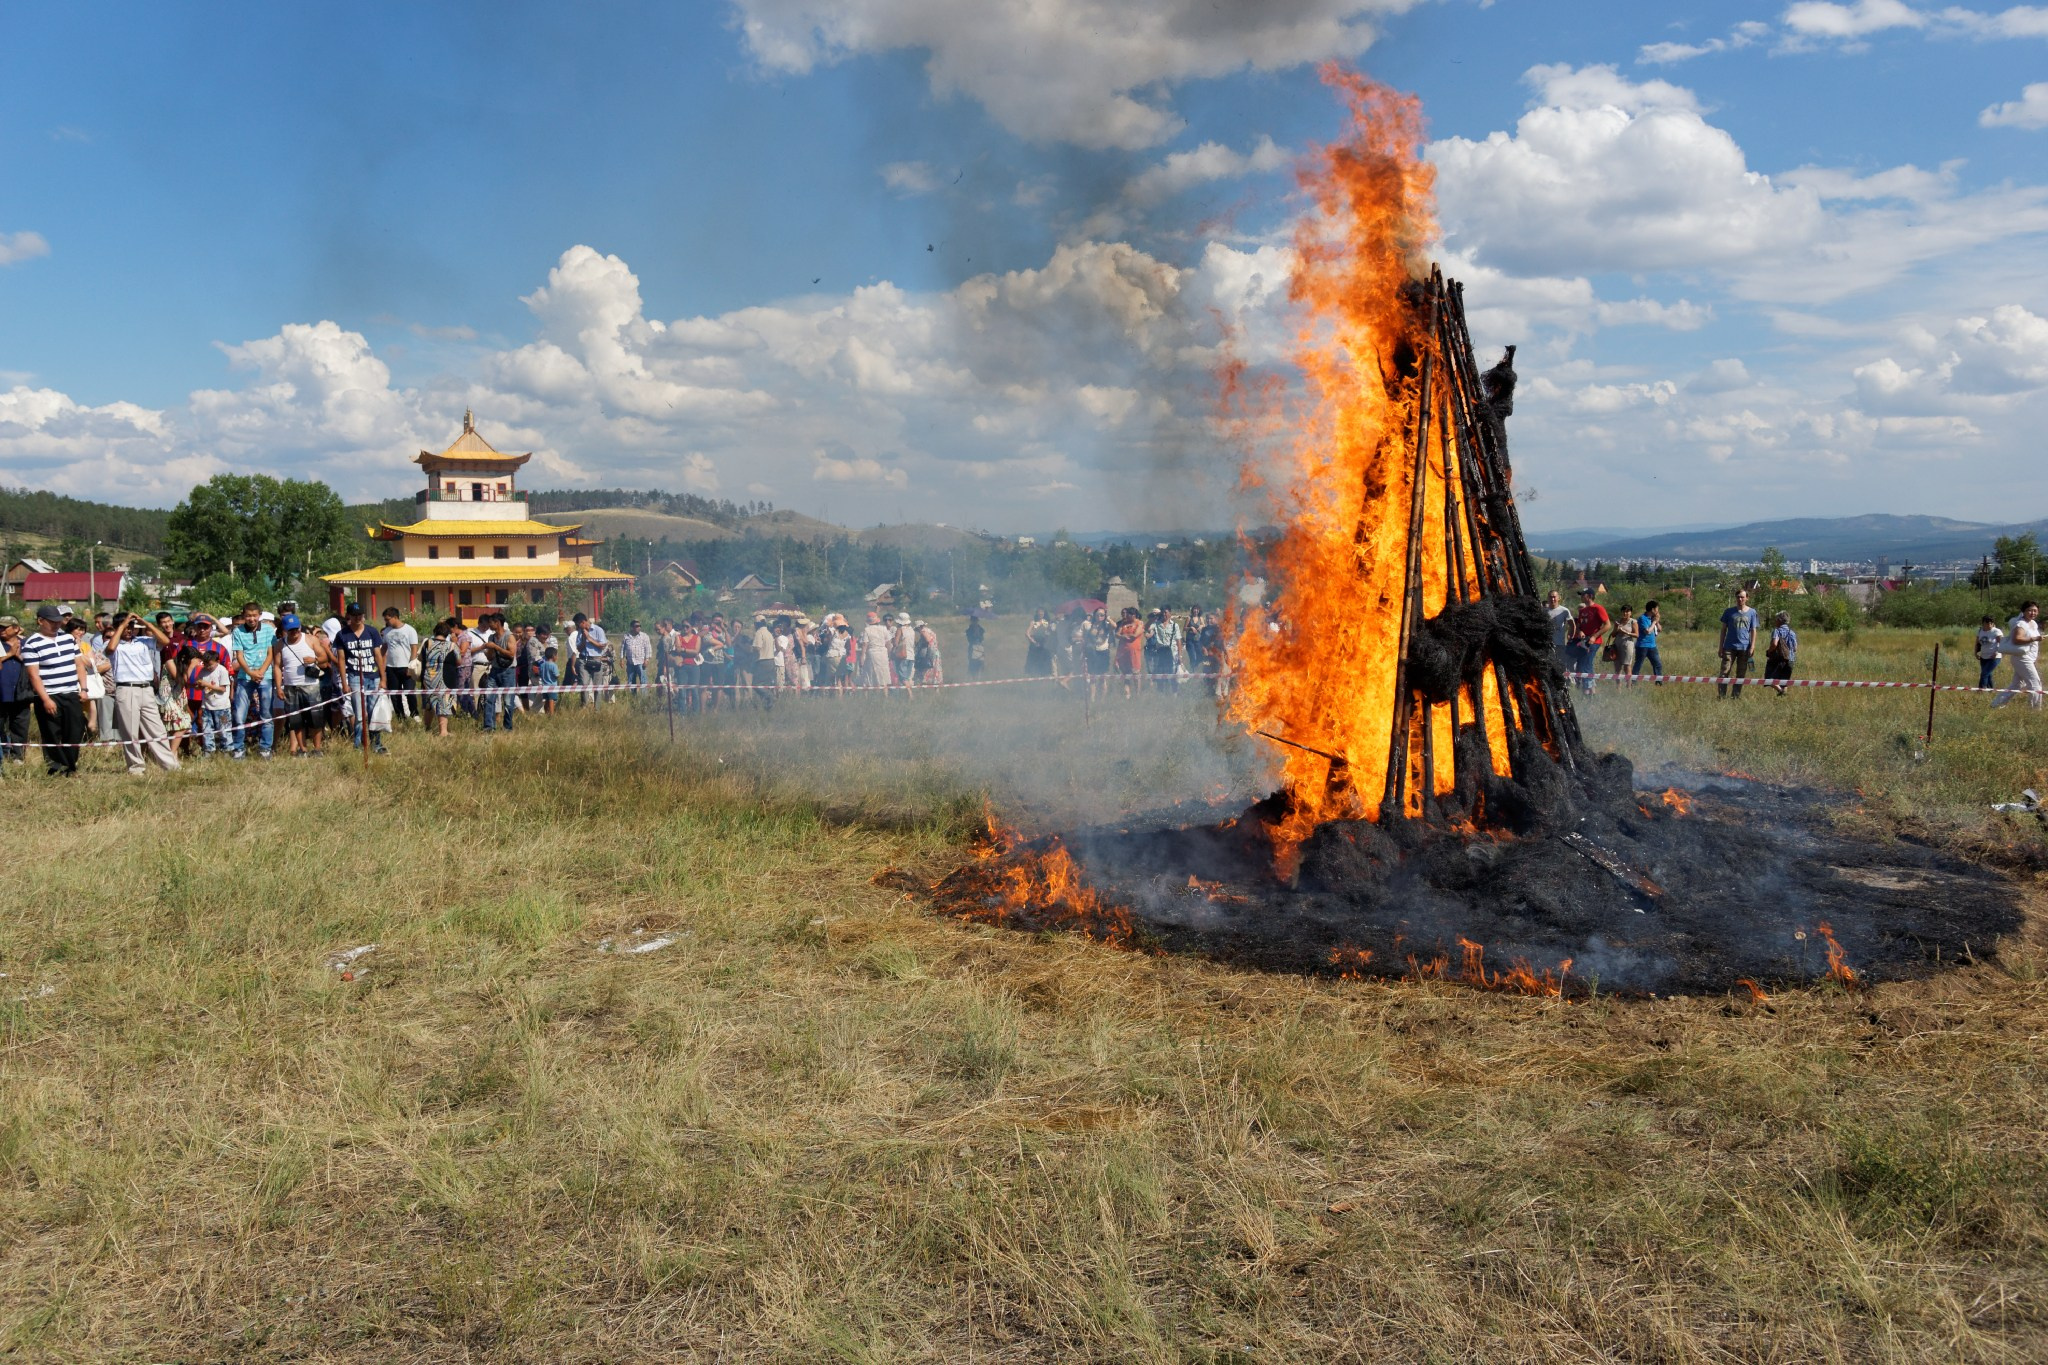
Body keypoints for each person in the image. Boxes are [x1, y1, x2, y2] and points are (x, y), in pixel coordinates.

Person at [105, 610, 181, 775]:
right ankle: (136, 767)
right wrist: (122, 624)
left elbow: (165, 641)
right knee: (130, 731)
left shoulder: (144, 641)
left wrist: (145, 623)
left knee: (157, 729)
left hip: (146, 689)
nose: (129, 630)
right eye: (126, 627)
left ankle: (170, 766)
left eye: (131, 626)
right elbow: (110, 649)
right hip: (126, 689)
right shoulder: (113, 643)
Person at [21, 603, 87, 776]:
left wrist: (84, 688)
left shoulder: (68, 639)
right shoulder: (31, 643)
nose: (57, 624)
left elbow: (79, 664)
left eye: (59, 621)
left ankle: (71, 766)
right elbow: (34, 675)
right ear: (40, 621)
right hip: (49, 694)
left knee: (74, 732)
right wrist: (46, 699)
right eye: (52, 621)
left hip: (71, 693)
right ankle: (57, 768)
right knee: (51, 734)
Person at [272, 614, 334, 757]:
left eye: (296, 629)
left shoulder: (310, 639)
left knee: (316, 718)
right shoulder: (280, 644)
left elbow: (325, 657)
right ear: (285, 630)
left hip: (310, 685)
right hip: (291, 686)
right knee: (296, 720)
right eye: (291, 630)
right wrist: (279, 687)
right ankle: (302, 749)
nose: (295, 632)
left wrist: (315, 659)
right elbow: (277, 666)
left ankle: (317, 749)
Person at [332, 603, 389, 754]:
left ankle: (376, 743)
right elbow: (341, 660)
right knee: (359, 714)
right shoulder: (342, 635)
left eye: (360, 615)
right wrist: (344, 683)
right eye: (354, 615)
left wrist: (383, 679)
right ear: (348, 616)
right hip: (355, 676)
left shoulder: (372, 632)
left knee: (373, 712)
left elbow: (378, 656)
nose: (358, 618)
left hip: (373, 675)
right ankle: (358, 745)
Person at [228, 602, 278, 758]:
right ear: (243, 616)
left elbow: (271, 653)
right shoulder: (237, 631)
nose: (251, 619)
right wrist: (250, 672)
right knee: (239, 715)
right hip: (245, 676)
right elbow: (239, 655)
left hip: (265, 676)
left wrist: (261, 672)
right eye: (248, 616)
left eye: (254, 615)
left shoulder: (269, 630)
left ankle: (265, 749)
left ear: (259, 615)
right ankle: (238, 748)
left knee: (266, 714)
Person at [1992, 600, 2042, 712]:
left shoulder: (2033, 624)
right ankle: (2034, 711)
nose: (2032, 613)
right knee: (2035, 684)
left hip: (2029, 658)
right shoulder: (2021, 624)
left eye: (2035, 611)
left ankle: (1996, 704)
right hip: (2022, 658)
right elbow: (2017, 639)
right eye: (2029, 610)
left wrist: (2035, 659)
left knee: (2017, 685)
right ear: (2023, 611)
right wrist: (2035, 638)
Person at [1717, 588, 1760, 701]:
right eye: (1738, 597)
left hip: (1745, 648)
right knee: (1724, 673)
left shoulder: (1752, 612)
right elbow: (1723, 630)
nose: (1740, 599)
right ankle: (1721, 696)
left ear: (1747, 598)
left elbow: (1753, 630)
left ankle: (1735, 697)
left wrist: (1753, 646)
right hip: (1729, 647)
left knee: (1740, 674)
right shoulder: (1729, 612)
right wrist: (1720, 647)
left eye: (1742, 597)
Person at [378, 609, 420, 722]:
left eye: (388, 619)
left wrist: (410, 666)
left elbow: (414, 649)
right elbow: (384, 649)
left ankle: (414, 714)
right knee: (394, 695)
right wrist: (379, 663)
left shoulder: (409, 630)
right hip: (391, 668)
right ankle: (401, 717)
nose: (386, 622)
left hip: (406, 666)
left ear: (395, 617)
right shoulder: (386, 631)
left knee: (409, 692)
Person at [420, 620, 457, 737]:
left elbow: (420, 658)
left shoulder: (427, 643)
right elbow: (459, 660)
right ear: (447, 634)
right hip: (445, 677)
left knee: (429, 704)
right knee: (443, 703)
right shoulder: (451, 645)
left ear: (435, 632)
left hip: (428, 677)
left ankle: (427, 728)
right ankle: (443, 731)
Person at [0, 616, 28, 764]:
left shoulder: (26, 644)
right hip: (1, 692)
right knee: (0, 725)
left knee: (20, 725)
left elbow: (36, 664)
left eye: (5, 627)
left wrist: (19, 656)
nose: (1, 630)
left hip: (21, 692)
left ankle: (18, 756)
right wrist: (9, 654)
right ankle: (4, 753)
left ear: (16, 628)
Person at [1569, 588, 1607, 694]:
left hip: (1594, 642)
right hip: (1583, 642)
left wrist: (1594, 636)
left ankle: (1589, 691)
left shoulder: (1598, 608)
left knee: (1587, 664)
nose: (1581, 596)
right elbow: (1579, 625)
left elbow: (1608, 625)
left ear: (1590, 596)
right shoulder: (1582, 611)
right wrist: (1580, 631)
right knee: (1582, 664)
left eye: (1583, 595)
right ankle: (1588, 689)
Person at [198, 652, 234, 753]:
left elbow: (222, 689)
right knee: (207, 730)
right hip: (207, 705)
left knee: (224, 730)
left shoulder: (222, 671)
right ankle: (209, 750)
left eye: (210, 664)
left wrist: (207, 684)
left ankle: (227, 749)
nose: (208, 667)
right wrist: (200, 685)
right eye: (205, 664)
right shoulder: (203, 671)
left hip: (221, 706)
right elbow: (200, 684)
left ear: (217, 662)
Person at [1761, 611, 1798, 696]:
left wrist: (1769, 651)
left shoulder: (1777, 631)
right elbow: (1795, 648)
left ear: (1779, 620)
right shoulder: (1792, 632)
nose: (1775, 621)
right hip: (1790, 660)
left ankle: (1781, 692)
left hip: (1778, 659)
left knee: (1769, 678)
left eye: (1776, 619)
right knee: (1784, 682)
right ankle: (1784, 698)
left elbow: (1774, 643)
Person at [1632, 600, 1664, 683]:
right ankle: (1633, 683)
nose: (1658, 611)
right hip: (1642, 646)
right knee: (1638, 665)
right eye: (1657, 609)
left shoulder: (1653, 619)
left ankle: (1659, 683)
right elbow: (1647, 631)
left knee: (1658, 665)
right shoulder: (1642, 618)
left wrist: (1656, 621)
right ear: (1653, 609)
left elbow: (1660, 629)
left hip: (1652, 646)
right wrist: (1654, 622)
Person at [751, 614, 777, 709]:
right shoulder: (769, 633)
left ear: (757, 624)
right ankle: (767, 707)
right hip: (771, 661)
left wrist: (751, 648)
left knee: (756, 685)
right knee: (766, 684)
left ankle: (769, 696)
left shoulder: (759, 633)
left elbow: (757, 647)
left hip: (762, 661)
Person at [621, 619, 653, 693]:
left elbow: (648, 648)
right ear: (632, 627)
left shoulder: (644, 636)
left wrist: (647, 659)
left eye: (639, 626)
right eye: (636, 626)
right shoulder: (626, 636)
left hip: (641, 662)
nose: (639, 627)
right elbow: (623, 648)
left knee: (643, 680)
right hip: (630, 663)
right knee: (631, 681)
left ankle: (644, 698)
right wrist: (621, 658)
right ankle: (633, 697)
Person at [1976, 615, 2006, 691]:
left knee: (1984, 674)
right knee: (1988, 675)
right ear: (1983, 623)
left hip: (1994, 657)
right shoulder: (1980, 631)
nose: (1989, 625)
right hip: (1983, 656)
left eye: (1991, 623)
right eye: (1987, 623)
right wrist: (1975, 652)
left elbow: (2002, 643)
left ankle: (1981, 691)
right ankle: (1991, 690)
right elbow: (1977, 643)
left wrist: (1996, 652)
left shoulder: (1996, 631)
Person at [1608, 602, 1637, 680]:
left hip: (1628, 644)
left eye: (1627, 611)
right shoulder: (1618, 621)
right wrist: (1616, 628)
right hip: (1617, 644)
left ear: (1631, 612)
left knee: (1627, 665)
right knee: (1617, 667)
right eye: (1623, 611)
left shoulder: (1633, 622)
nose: (1625, 613)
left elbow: (1637, 635)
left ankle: (1629, 687)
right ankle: (1618, 689)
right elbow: (1613, 635)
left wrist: (1626, 632)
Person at [1545, 590, 1573, 655]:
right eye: (1550, 597)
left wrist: (1570, 636)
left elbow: (1572, 625)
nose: (1552, 599)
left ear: (1558, 598)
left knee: (1559, 662)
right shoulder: (1544, 611)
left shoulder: (1564, 611)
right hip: (1547, 643)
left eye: (1554, 597)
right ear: (1548, 598)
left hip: (1559, 643)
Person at [539, 646, 561, 714]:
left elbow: (540, 673)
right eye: (556, 655)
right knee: (551, 700)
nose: (557, 657)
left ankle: (546, 712)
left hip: (544, 686)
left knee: (546, 700)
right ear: (553, 656)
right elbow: (557, 675)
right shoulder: (553, 665)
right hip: (552, 686)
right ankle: (552, 714)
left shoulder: (542, 665)